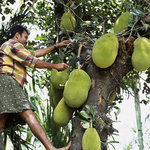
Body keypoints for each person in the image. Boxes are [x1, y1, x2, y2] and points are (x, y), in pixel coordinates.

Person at [0, 25, 71, 150]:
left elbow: (35, 54)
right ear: (17, 35)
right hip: (7, 82)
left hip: (3, 84)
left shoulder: (15, 48)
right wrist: (55, 66)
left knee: (1, 121)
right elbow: (32, 61)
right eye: (25, 37)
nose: (27, 41)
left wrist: (56, 46)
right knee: (28, 114)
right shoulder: (11, 44)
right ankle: (51, 148)